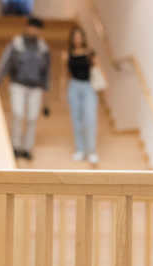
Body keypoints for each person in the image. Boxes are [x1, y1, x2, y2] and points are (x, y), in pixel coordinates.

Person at [0, 16, 51, 161]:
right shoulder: (17, 44)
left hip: (36, 87)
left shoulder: (43, 47)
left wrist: (46, 89)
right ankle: (15, 146)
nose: (34, 30)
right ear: (27, 27)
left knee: (32, 117)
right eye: (32, 26)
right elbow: (5, 62)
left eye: (37, 28)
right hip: (18, 84)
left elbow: (47, 71)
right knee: (18, 113)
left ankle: (27, 148)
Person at [62, 27, 103, 165]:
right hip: (73, 87)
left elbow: (99, 70)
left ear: (83, 38)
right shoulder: (67, 54)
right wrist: (63, 93)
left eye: (79, 36)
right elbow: (63, 75)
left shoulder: (90, 53)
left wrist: (105, 89)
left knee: (90, 120)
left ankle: (91, 151)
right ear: (72, 39)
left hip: (88, 88)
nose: (77, 39)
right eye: (75, 36)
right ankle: (80, 149)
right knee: (77, 120)